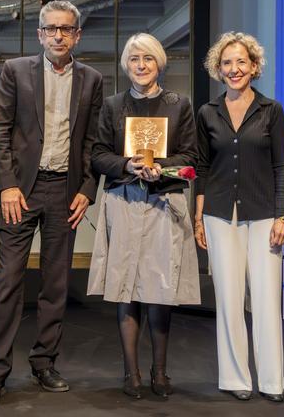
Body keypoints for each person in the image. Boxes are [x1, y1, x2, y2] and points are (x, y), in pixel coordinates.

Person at [0, 0, 103, 406]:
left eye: (66, 29)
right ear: (40, 34)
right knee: (8, 281)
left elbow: (91, 141)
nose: (58, 36)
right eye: (51, 29)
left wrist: (87, 188)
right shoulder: (16, 71)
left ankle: (44, 362)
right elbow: (2, 131)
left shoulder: (92, 79)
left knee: (56, 284)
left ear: (77, 35)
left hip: (65, 193)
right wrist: (7, 186)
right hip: (20, 192)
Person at [87, 33, 201, 399]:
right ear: (126, 64)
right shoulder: (112, 105)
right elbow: (98, 154)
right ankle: (130, 372)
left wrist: (161, 168)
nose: (141, 65)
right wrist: (128, 164)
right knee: (126, 287)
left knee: (159, 289)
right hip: (123, 200)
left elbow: (190, 157)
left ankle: (160, 371)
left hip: (163, 202)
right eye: (134, 59)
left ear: (159, 63)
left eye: (148, 59)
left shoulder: (179, 105)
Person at [194, 31, 284, 402]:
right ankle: (236, 379)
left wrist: (283, 215)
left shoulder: (272, 110)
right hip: (219, 214)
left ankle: (272, 382)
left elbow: (282, 165)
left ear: (254, 66)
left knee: (266, 299)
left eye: (241, 62)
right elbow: (201, 167)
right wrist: (198, 217)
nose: (234, 69)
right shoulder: (207, 112)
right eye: (227, 63)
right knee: (229, 299)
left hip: (265, 213)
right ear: (218, 69)